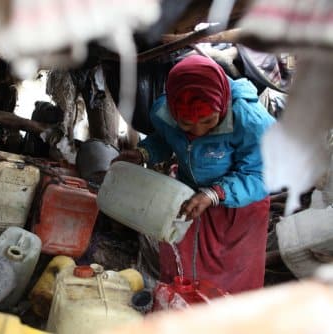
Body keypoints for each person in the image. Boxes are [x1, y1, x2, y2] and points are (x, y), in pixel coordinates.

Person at [114, 55, 275, 294]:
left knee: (232, 281)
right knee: (183, 271)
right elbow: (165, 138)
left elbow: (263, 174)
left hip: (239, 210)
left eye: (209, 122)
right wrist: (144, 153)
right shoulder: (163, 111)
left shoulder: (250, 121)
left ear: (222, 105)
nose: (198, 132)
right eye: (187, 125)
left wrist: (215, 193)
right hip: (191, 199)